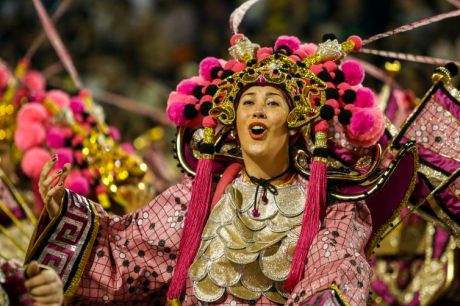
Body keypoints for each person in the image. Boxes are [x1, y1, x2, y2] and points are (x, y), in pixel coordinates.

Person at [24, 5, 419, 305]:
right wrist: (62, 214)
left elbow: (335, 277)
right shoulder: (194, 198)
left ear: (296, 123)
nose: (258, 111)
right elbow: (124, 258)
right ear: (233, 119)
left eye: (272, 103)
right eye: (248, 102)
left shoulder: (332, 211)